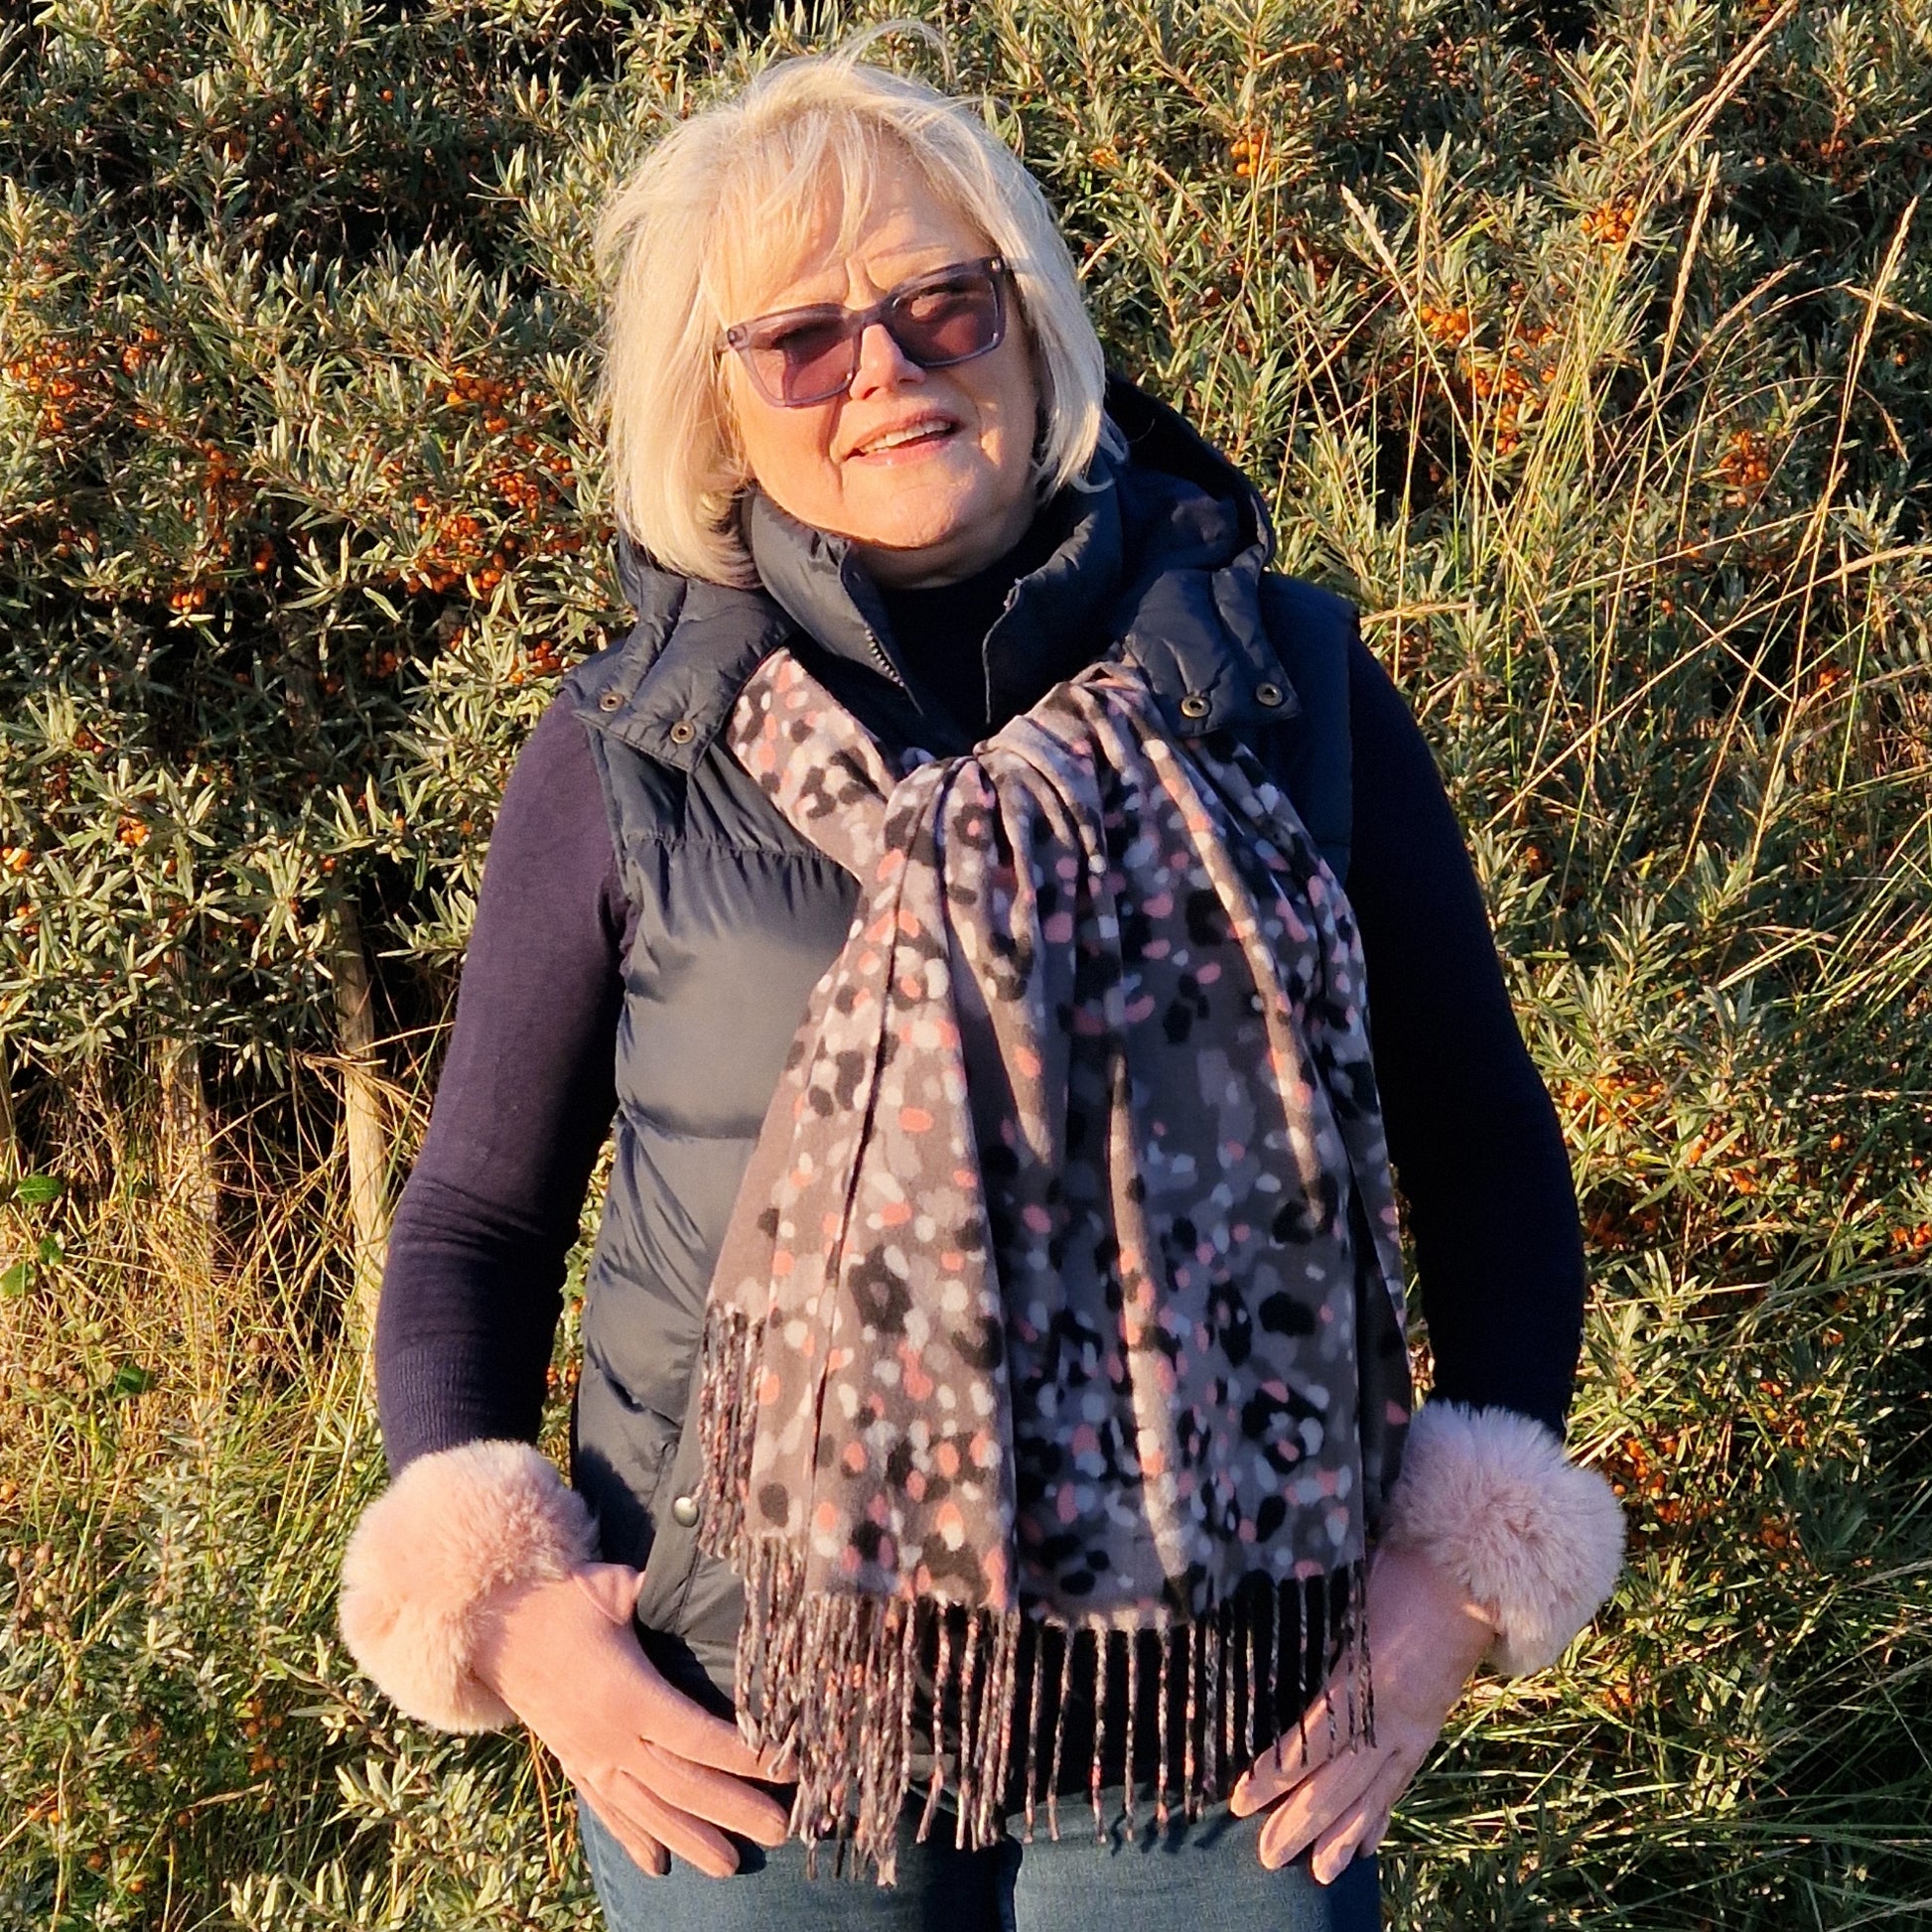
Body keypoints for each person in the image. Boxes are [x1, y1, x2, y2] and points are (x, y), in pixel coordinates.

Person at [337, 45, 1623, 1932]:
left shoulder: (1287, 689)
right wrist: (513, 1615)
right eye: (802, 339)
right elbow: (471, 1213)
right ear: (717, 405)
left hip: (1228, 1720)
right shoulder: (633, 746)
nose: (887, 368)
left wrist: (1455, 1580)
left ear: (1030, 326)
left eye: (944, 300)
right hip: (749, 1725)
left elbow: (1485, 1142)